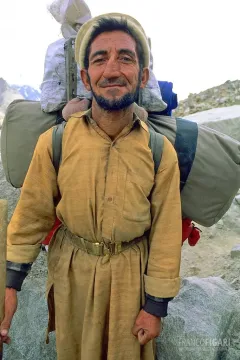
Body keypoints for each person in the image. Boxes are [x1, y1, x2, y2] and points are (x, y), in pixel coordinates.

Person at [0, 13, 182, 360]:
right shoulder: (55, 142)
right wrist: (9, 287)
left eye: (125, 58)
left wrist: (155, 306)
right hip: (72, 275)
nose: (112, 70)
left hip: (132, 278)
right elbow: (29, 220)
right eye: (100, 59)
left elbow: (165, 235)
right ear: (85, 76)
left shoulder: (160, 152)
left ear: (142, 76)